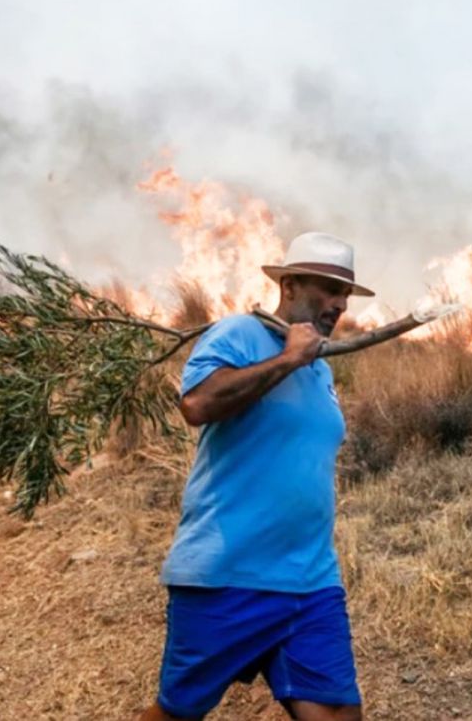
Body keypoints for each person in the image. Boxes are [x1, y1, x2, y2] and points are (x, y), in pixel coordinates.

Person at [140, 232, 376, 721]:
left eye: (344, 296)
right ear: (288, 285)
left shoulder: (321, 367)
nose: (338, 305)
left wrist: (303, 358)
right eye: (327, 290)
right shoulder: (238, 334)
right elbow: (198, 404)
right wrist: (288, 357)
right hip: (229, 574)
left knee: (338, 715)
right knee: (177, 714)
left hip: (311, 579)